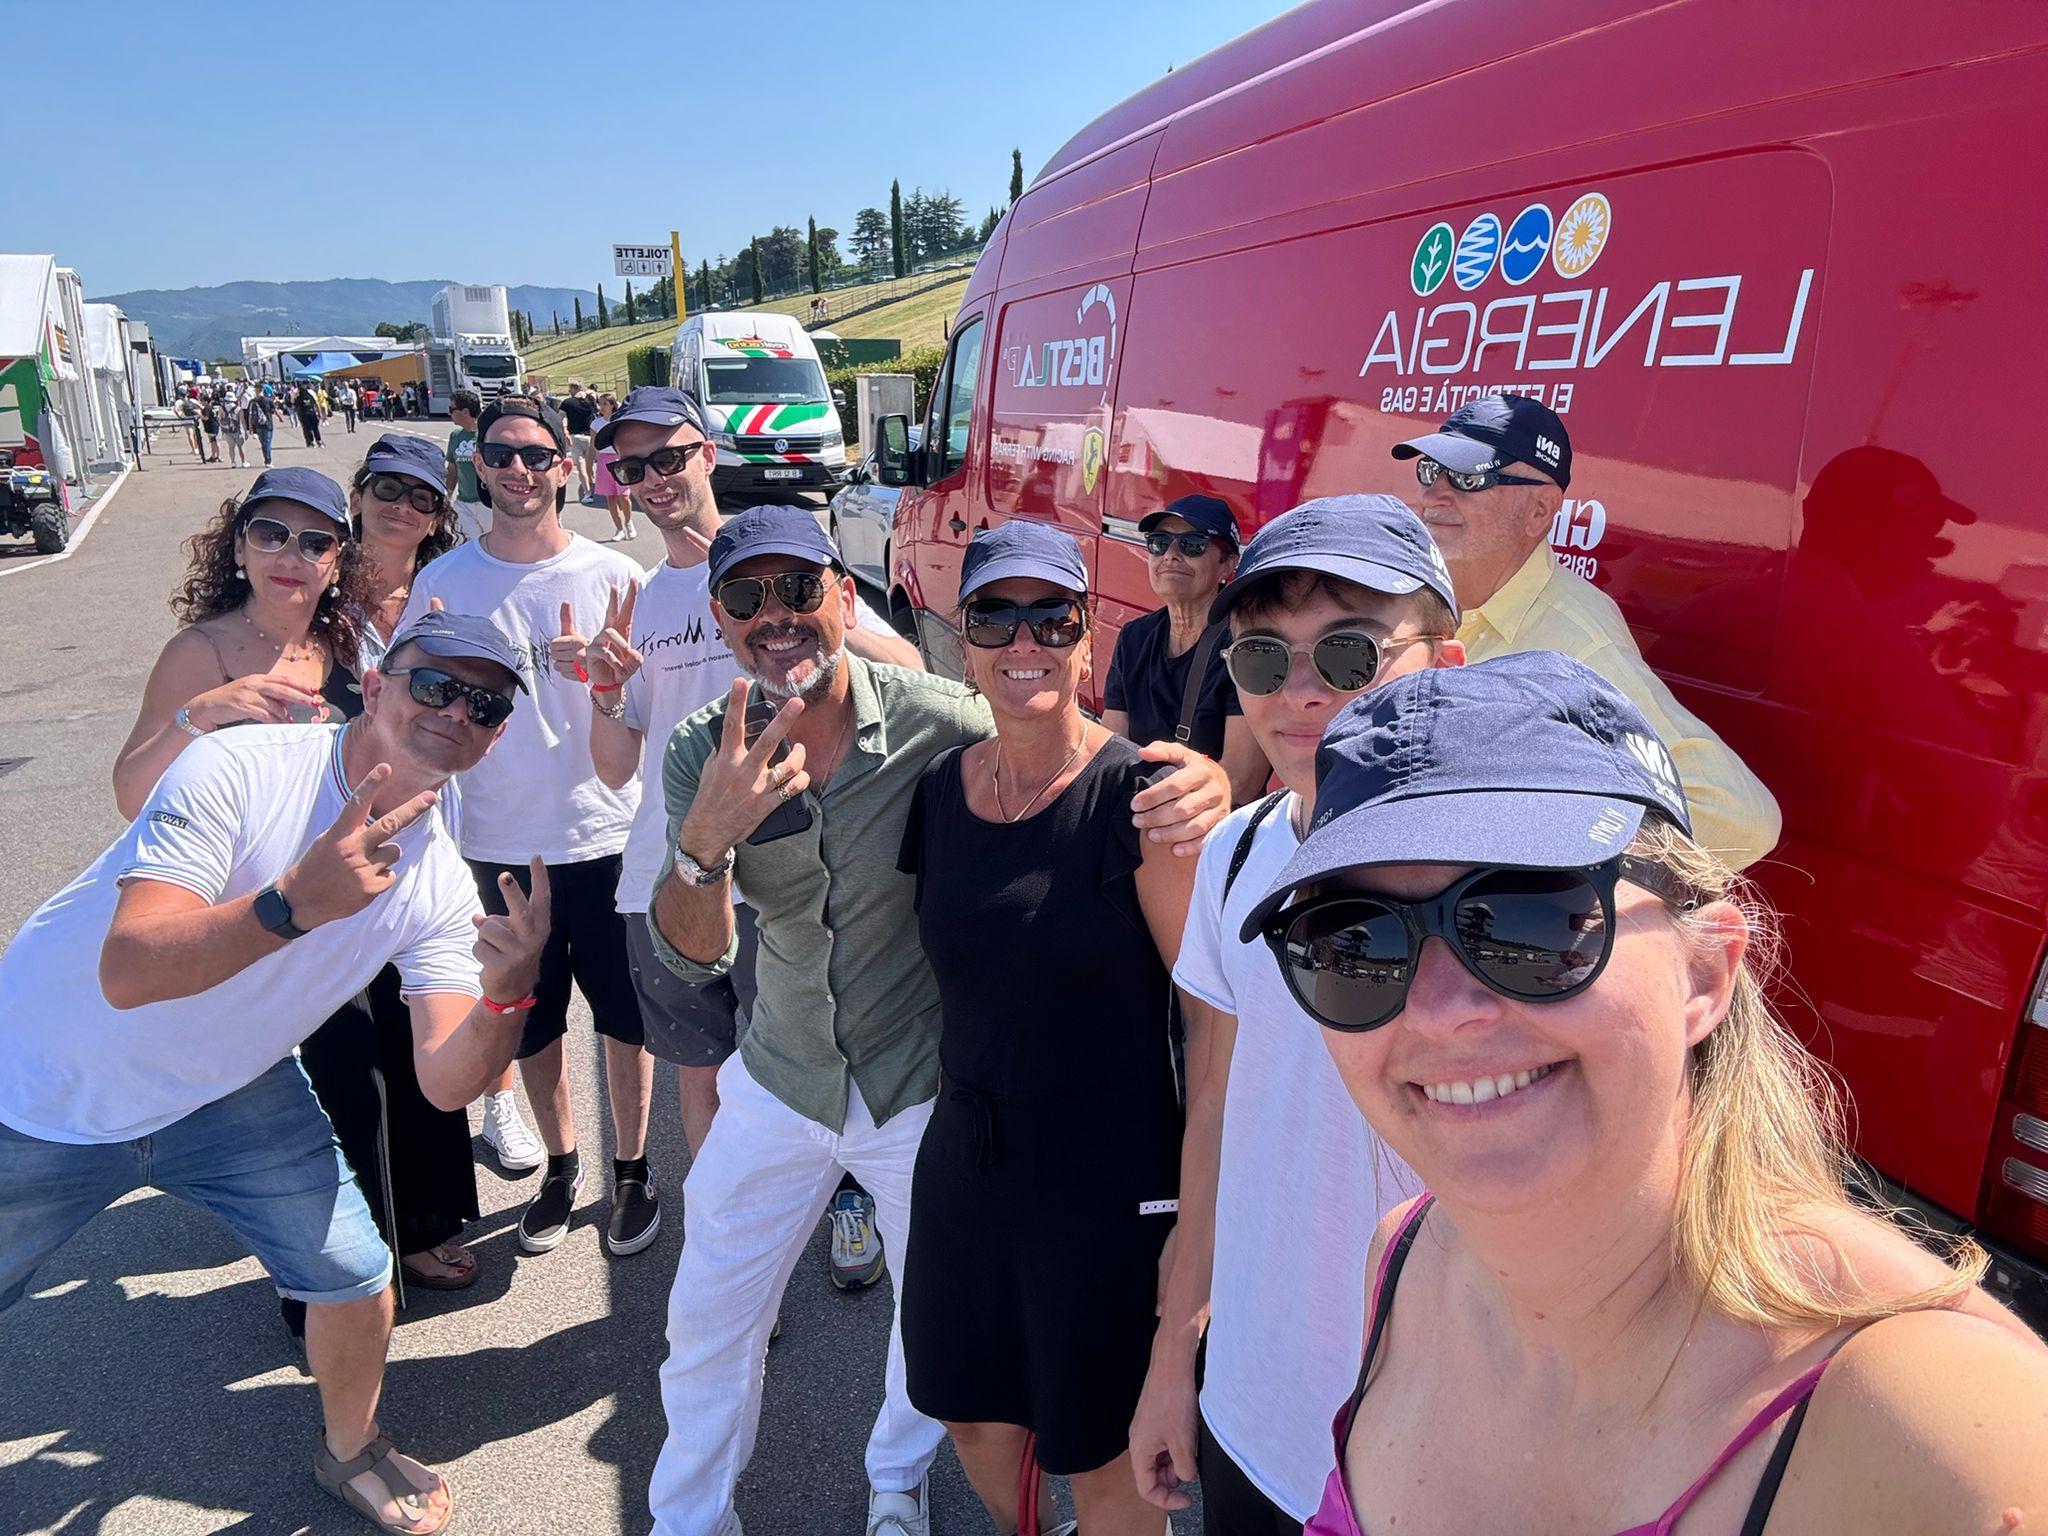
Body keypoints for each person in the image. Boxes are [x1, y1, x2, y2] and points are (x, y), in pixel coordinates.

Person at [1224, 651, 2048, 1535]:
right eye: (1354, 941)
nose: (1441, 1012)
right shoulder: (1404, 1259)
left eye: (1530, 918)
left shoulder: (1938, 1433)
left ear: (1705, 972)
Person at [643, 505, 1229, 1535]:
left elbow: (1081, 755)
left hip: (924, 1087)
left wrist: (1210, 778)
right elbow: (694, 954)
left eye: (799, 588)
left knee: (965, 1363)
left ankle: (894, 1486)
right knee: (710, 1317)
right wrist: (704, 843)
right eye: (746, 596)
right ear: (719, 617)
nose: (776, 615)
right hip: (787, 1073)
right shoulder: (706, 753)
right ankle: (689, 1519)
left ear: (844, 596)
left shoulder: (939, 725)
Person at [0, 609, 550, 1536]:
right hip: (39, 1085)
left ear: (494, 740)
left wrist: (507, 997)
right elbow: (129, 969)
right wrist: (294, 903)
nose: (458, 711)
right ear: (372, 687)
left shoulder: (437, 879)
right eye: (434, 684)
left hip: (227, 1091)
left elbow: (447, 1084)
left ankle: (352, 1448)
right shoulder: (239, 766)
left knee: (355, 1276)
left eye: (485, 705)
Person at [1129, 496, 1455, 1534]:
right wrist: (1174, 1352)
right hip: (1250, 1410)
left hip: (1427, 1444)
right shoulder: (1236, 853)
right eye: (1264, 658)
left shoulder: (1498, 898)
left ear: (1443, 664)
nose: (1302, 692)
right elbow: (1216, 1108)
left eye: (1350, 653)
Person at [899, 521, 1199, 1536]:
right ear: (964, 640)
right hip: (968, 1157)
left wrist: (1199, 1219)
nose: (1021, 640)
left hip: (1105, 1178)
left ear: (1084, 639)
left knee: (1104, 1453)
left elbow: (1212, 1025)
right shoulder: (941, 790)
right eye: (994, 616)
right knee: (970, 1412)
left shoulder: (1143, 799)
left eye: (1050, 617)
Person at [583, 394, 922, 1265]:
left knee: (828, 1050)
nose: (654, 480)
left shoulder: (789, 564)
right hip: (676, 867)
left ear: (707, 453)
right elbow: (616, 768)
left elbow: (909, 668)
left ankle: (850, 1207)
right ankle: (729, 1242)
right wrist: (606, 692)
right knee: (704, 1069)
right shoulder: (637, 600)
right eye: (632, 467)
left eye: (669, 457)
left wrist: (792, 616)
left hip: (791, 869)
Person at [396, 395, 657, 1257]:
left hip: (607, 835)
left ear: (566, 468)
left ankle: (633, 1171)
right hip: (499, 843)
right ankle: (561, 1166)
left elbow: (655, 705)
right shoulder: (444, 583)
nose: (520, 469)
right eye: (503, 454)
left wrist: (611, 681)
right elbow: (407, 699)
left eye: (537, 455)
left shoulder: (614, 574)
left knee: (625, 1021)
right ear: (478, 466)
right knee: (533, 1024)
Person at [1392, 394, 1781, 866]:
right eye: (1430, 471)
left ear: (1539, 510)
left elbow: (1739, 817)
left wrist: (1547, 864)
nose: (1433, 496)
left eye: (1468, 478)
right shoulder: (1410, 592)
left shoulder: (1579, 643)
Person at [113, 467, 365, 821]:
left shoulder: (340, 640)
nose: (290, 558)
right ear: (239, 549)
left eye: (315, 543)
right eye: (270, 535)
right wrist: (199, 715)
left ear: (337, 564)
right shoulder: (198, 653)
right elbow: (132, 798)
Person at [1102, 493, 1270, 806]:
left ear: (1227, 565)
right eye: (1159, 543)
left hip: (1209, 823)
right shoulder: (1133, 638)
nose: (1171, 555)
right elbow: (1111, 748)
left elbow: (1241, 780)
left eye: (1192, 544)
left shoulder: (1247, 647)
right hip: (1138, 812)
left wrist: (1159, 812)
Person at [442, 389, 489, 540]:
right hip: (463, 504)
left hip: (488, 504)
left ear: (465, 412)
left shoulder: (487, 435)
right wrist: (446, 498)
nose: (449, 413)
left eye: (451, 409)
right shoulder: (455, 436)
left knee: (492, 545)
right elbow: (452, 471)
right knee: (465, 542)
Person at [592, 391, 633, 540]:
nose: (602, 407)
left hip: (619, 459)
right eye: (600, 404)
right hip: (604, 460)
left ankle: (628, 522)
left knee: (624, 495)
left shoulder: (619, 421)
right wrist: (590, 463)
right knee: (610, 497)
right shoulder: (596, 424)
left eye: (605, 404)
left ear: (612, 405)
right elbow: (593, 445)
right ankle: (619, 529)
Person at [560, 381, 599, 503]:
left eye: (570, 389)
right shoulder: (590, 401)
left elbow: (559, 418)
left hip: (575, 437)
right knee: (589, 464)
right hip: (590, 436)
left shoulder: (567, 403)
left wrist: (565, 432)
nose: (568, 391)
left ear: (574, 388)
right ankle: (593, 486)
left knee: (580, 465)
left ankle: (587, 493)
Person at [220, 385, 252, 469]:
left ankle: (233, 462)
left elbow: (221, 419)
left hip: (227, 430)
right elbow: (242, 421)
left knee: (231, 447)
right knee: (240, 447)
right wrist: (246, 432)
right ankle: (243, 462)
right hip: (237, 430)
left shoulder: (222, 408)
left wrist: (222, 430)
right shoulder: (238, 409)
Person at [248, 386, 278, 466]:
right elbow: (274, 410)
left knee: (263, 443)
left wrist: (250, 426)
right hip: (268, 424)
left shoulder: (252, 401)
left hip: (257, 425)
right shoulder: (268, 400)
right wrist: (280, 417)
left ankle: (266, 459)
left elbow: (250, 414)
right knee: (267, 443)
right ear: (263, 391)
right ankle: (268, 461)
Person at [297, 384, 324, 448]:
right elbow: (316, 404)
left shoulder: (299, 398)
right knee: (315, 428)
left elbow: (296, 406)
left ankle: (310, 442)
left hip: (304, 415)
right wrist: (319, 413)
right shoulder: (310, 396)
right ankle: (319, 441)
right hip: (312, 414)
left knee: (307, 429)